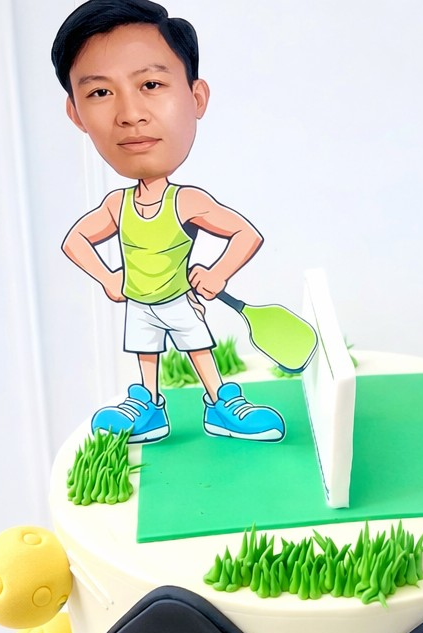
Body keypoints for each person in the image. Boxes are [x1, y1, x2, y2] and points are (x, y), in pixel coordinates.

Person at [52, 0, 285, 442]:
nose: (130, 114)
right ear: (76, 114)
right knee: (147, 356)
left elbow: (245, 234)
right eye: (100, 92)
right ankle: (148, 407)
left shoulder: (186, 202)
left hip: (178, 300)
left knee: (198, 349)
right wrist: (108, 277)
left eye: (151, 84)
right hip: (140, 303)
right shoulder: (117, 206)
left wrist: (217, 274)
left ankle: (221, 403)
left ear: (196, 98)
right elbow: (75, 242)